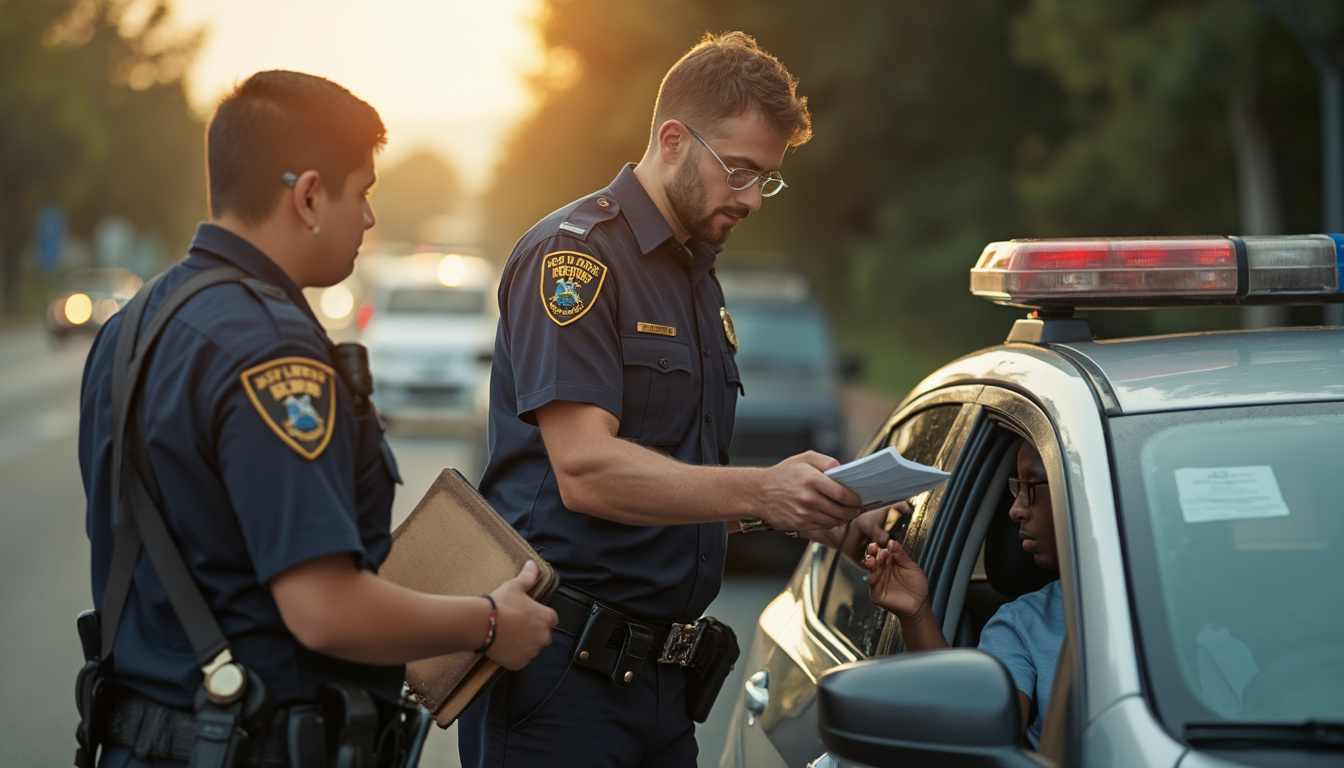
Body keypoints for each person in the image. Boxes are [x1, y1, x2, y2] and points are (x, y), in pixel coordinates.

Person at [78, 70, 557, 768]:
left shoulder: (132, 326)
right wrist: (489, 622)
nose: (367, 219)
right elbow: (323, 608)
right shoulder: (272, 348)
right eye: (361, 192)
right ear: (307, 195)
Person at [458, 31, 879, 768]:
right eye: (740, 170)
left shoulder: (694, 273)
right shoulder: (576, 256)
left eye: (767, 179)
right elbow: (584, 470)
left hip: (660, 682)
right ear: (674, 139)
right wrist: (762, 487)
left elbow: (675, 479)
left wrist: (809, 504)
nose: (751, 198)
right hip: (560, 683)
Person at [862, 440, 1064, 749]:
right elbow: (977, 728)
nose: (1015, 509)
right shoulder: (1022, 624)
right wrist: (916, 614)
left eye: (1030, 486)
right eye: (1016, 488)